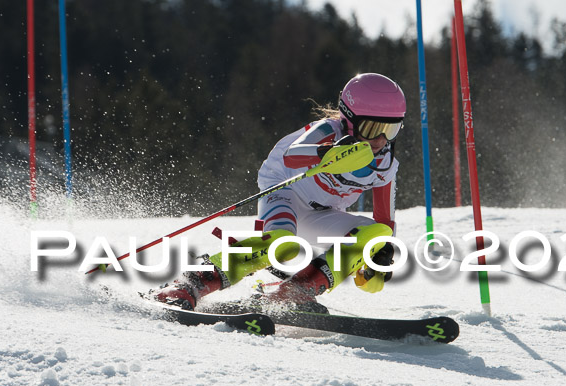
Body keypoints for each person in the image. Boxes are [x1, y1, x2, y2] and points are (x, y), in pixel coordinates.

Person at [154, 73, 406, 312]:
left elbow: (385, 222)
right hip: (285, 192)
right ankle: (189, 284)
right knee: (281, 245)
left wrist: (379, 256)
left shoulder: (386, 164)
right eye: (373, 129)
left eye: (391, 130)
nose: (381, 140)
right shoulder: (329, 131)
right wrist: (328, 153)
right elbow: (293, 155)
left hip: (324, 214)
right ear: (349, 120)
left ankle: (296, 292)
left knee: (379, 234)